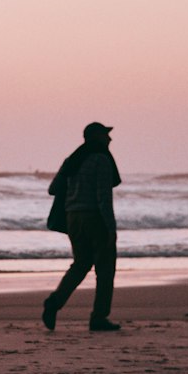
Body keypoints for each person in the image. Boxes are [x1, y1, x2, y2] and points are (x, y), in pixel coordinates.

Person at [42, 122, 122, 332]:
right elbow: (103, 197)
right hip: (94, 218)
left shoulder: (73, 160)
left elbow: (53, 189)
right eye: (106, 135)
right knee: (105, 269)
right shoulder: (101, 160)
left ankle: (55, 302)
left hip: (73, 218)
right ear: (96, 137)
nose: (110, 139)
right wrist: (111, 229)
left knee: (80, 264)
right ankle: (99, 317)